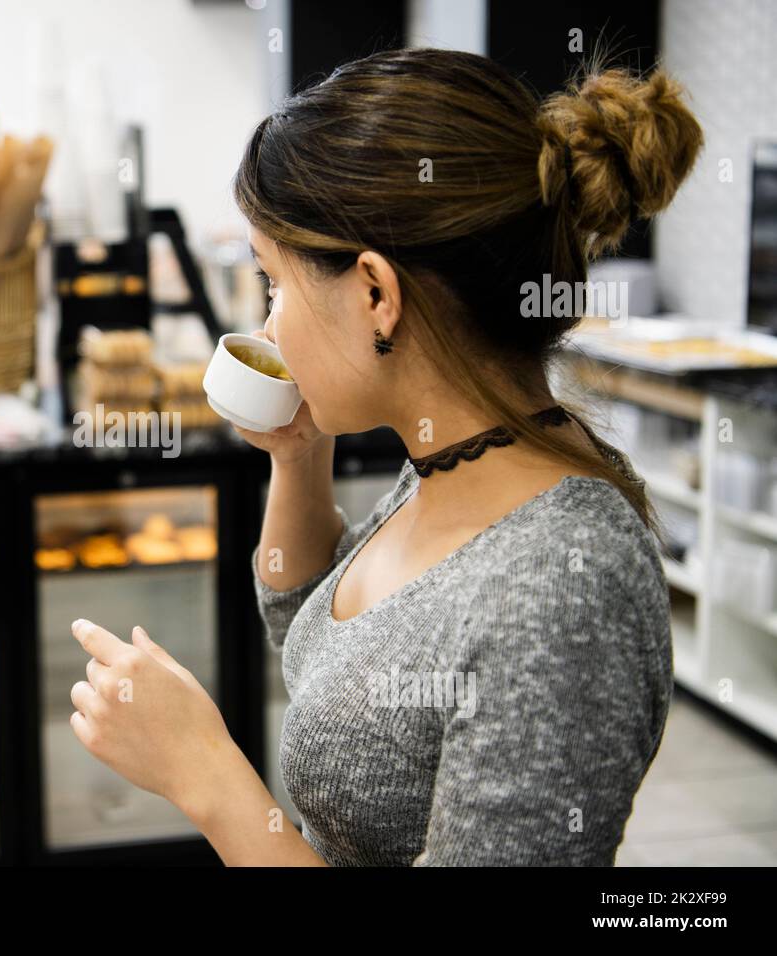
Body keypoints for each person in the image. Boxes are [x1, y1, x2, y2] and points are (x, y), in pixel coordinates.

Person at [67, 47, 703, 865]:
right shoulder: (458, 459)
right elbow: (329, 641)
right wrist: (298, 461)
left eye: (277, 287)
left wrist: (206, 775)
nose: (268, 330)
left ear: (375, 293)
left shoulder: (556, 593)